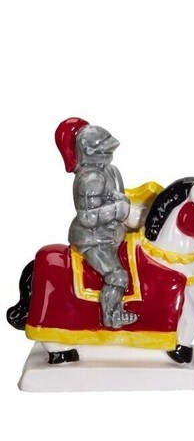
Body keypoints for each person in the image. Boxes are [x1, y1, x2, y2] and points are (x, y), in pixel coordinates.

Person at [55, 117, 138, 328]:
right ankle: (111, 316)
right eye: (106, 150)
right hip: (92, 239)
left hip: (111, 234)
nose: (110, 154)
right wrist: (118, 209)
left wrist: (120, 200)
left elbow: (115, 195)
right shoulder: (91, 178)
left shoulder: (108, 171)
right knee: (117, 276)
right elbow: (88, 217)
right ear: (91, 152)